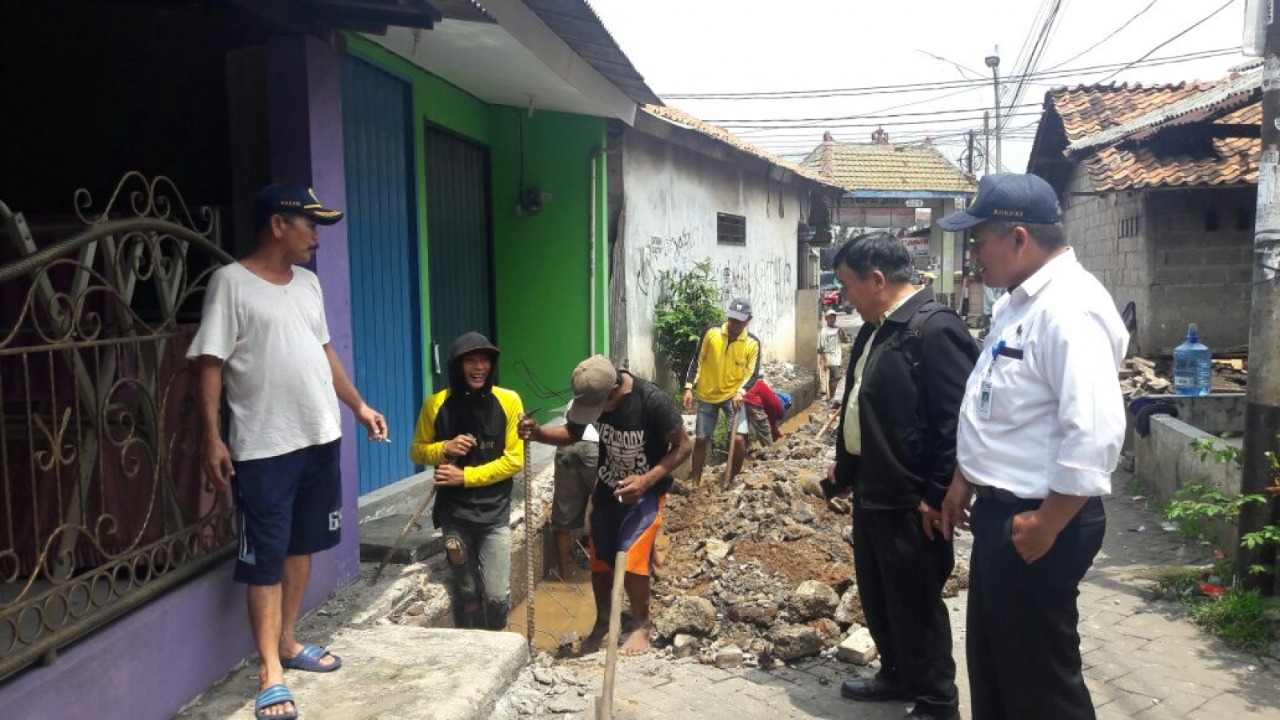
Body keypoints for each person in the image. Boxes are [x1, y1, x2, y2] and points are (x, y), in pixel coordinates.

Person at [188, 183, 388, 720]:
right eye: (310, 226)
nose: (316, 237)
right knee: (265, 558)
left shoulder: (308, 283)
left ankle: (288, 641)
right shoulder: (231, 283)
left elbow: (323, 352)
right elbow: (210, 363)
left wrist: (358, 406)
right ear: (279, 225)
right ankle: (270, 672)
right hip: (264, 447)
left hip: (320, 437)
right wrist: (212, 436)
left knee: (303, 546)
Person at [938, 173, 1127, 720]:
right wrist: (964, 476)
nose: (974, 255)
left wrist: (1048, 522)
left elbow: (1094, 431)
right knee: (997, 670)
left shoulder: (1069, 309)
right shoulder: (1016, 304)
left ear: (1018, 238)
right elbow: (996, 404)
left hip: (1040, 519)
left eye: (979, 241)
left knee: (1041, 687)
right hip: (1005, 513)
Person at [821, 232, 978, 720]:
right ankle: (897, 673)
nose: (845, 296)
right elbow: (862, 404)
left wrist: (937, 495)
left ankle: (936, 700)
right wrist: (846, 465)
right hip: (875, 486)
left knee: (914, 600)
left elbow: (957, 424)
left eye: (847, 285)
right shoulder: (877, 329)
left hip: (913, 500)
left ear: (876, 280)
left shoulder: (934, 330)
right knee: (879, 592)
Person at [521, 356, 692, 655]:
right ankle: (602, 622)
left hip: (646, 492)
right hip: (608, 487)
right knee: (600, 558)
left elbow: (684, 446)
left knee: (633, 553)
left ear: (616, 391)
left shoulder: (653, 402)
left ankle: (641, 624)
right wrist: (539, 434)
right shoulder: (592, 397)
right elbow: (572, 433)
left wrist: (646, 480)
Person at [409, 332, 523, 631]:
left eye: (485, 360)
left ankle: (497, 643)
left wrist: (465, 477)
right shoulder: (436, 404)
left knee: (496, 596)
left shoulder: (509, 401)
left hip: (494, 515)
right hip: (454, 517)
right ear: (457, 366)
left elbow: (514, 460)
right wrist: (443, 448)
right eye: (471, 360)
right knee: (468, 592)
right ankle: (471, 642)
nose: (479, 367)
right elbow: (417, 450)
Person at [682, 297, 761, 485]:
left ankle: (730, 479)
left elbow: (753, 374)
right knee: (701, 440)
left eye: (740, 321)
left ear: (748, 320)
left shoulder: (752, 343)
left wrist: (741, 391)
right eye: (732, 319)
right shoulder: (711, 332)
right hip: (707, 395)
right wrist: (688, 387)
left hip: (734, 397)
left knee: (739, 440)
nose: (735, 324)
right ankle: (695, 483)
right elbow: (697, 360)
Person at [549, 427, 599, 582]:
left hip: (567, 443)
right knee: (609, 509)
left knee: (563, 519)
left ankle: (565, 580)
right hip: (596, 444)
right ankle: (604, 576)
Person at [819, 308, 846, 399]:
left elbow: (845, 340)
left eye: (833, 317)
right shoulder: (824, 330)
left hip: (837, 356)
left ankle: (830, 397)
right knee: (837, 377)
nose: (832, 319)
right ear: (826, 319)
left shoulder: (837, 329)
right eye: (830, 317)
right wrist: (825, 359)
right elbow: (823, 346)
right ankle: (831, 397)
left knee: (832, 378)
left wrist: (842, 332)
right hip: (830, 357)